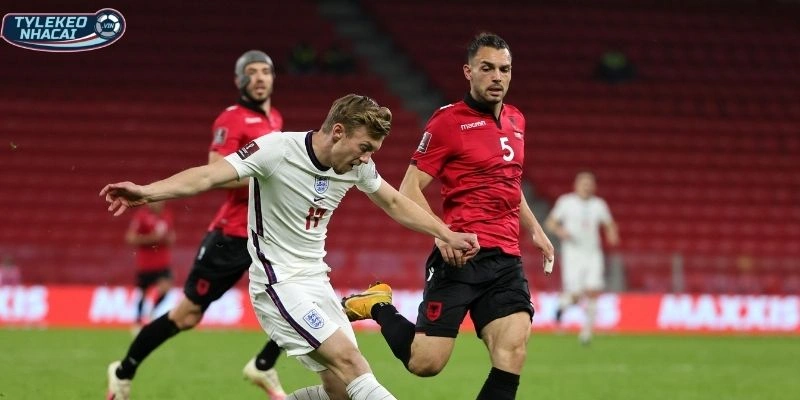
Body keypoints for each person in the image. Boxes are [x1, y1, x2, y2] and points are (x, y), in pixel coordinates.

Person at [100, 93, 480, 400]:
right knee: (352, 364)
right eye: (364, 146)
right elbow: (210, 175)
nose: (368, 158)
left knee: (342, 391)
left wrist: (445, 233)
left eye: (374, 150)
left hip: (317, 281)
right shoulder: (277, 151)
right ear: (338, 132)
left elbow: (396, 203)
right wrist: (147, 192)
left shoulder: (358, 167)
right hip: (277, 284)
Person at [342, 33, 555, 400]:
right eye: (487, 68)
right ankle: (376, 304)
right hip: (460, 256)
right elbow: (409, 189)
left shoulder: (517, 120)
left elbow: (508, 180)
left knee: (513, 351)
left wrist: (535, 229)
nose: (497, 77)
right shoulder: (447, 123)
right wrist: (442, 235)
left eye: (504, 69)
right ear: (468, 71)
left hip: (505, 259)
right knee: (426, 364)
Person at [105, 50, 288, 400]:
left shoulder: (275, 119)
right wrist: (272, 181)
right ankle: (123, 371)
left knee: (299, 297)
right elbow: (216, 173)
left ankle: (263, 365)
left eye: (266, 71)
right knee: (186, 316)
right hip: (231, 235)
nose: (261, 78)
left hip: (268, 234)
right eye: (252, 72)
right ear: (239, 81)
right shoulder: (231, 119)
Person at [544, 171, 619, 345]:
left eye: (589, 183)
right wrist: (560, 231)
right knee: (576, 295)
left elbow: (608, 223)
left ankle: (586, 334)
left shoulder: (599, 204)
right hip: (573, 255)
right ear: (576, 185)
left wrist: (612, 234)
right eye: (584, 183)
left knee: (593, 290)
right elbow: (550, 222)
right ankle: (561, 308)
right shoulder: (566, 202)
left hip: (593, 253)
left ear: (594, 186)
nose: (587, 186)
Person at [124, 200, 175, 329]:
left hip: (163, 262)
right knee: (143, 293)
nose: (158, 204)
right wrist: (151, 239)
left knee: (166, 287)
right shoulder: (141, 216)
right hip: (146, 263)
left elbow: (171, 235)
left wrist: (169, 238)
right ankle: (138, 320)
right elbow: (130, 237)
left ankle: (152, 311)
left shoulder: (167, 215)